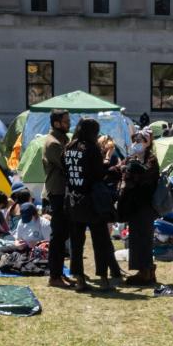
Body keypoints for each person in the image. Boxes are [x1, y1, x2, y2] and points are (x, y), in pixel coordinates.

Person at [62, 118, 123, 285]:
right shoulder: (91, 149)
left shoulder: (68, 148)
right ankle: (103, 277)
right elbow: (98, 174)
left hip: (73, 198)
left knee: (76, 241)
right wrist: (109, 163)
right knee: (100, 240)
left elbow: (64, 170)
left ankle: (79, 277)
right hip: (92, 200)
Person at [118, 131, 162, 287]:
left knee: (144, 238)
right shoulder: (130, 158)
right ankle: (144, 270)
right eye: (135, 139)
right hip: (132, 204)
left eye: (140, 140)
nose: (137, 142)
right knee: (135, 239)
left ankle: (146, 272)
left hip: (145, 205)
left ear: (148, 142)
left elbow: (146, 179)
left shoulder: (151, 159)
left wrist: (132, 172)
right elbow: (121, 170)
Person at [41, 110, 74, 288]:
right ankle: (54, 276)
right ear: (56, 123)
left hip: (63, 191)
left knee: (62, 235)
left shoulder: (62, 140)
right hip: (57, 191)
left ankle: (60, 272)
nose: (68, 123)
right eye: (66, 121)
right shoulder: (53, 143)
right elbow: (67, 164)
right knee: (58, 235)